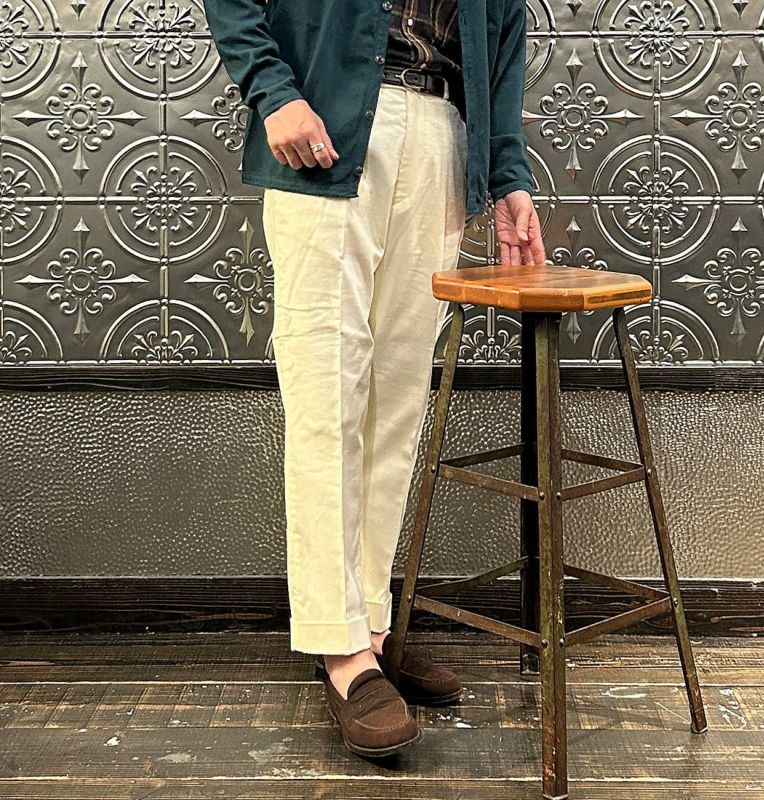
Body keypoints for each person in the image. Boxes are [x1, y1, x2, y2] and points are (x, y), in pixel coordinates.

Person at [203, 0, 547, 757]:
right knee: (327, 396)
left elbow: (502, 36)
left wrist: (508, 173)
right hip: (325, 124)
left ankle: (372, 625)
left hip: (441, 136)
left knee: (396, 404)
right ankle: (340, 647)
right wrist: (274, 93)